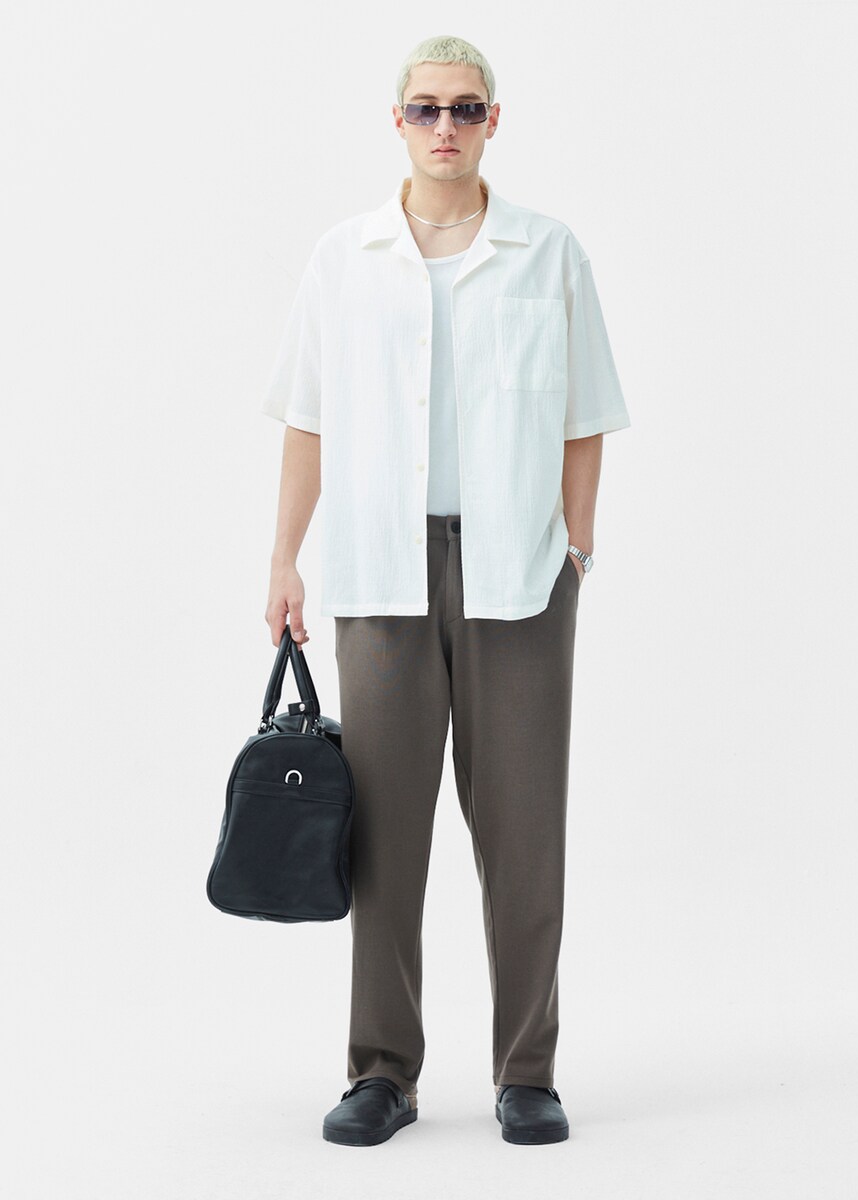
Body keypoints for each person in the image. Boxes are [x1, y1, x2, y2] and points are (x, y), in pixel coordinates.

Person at [261, 34, 630, 1147]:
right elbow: (308, 419)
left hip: (520, 573)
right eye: (425, 108)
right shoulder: (345, 258)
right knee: (382, 830)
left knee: (524, 830)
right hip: (380, 571)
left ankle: (528, 1071)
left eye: (466, 108)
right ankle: (382, 1071)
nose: (445, 127)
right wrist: (283, 559)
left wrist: (576, 547)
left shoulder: (547, 252)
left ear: (493, 121)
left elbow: (585, 414)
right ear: (398, 120)